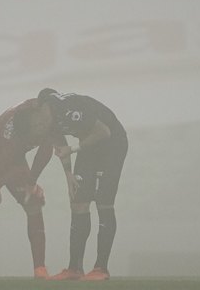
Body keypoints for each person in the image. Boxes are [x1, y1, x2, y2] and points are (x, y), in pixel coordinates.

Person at [0, 98, 70, 280]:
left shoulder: (50, 118)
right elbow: (7, 155)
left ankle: (40, 269)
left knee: (33, 200)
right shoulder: (15, 123)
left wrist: (31, 183)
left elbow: (45, 151)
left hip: (13, 157)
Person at [37, 88, 128, 281]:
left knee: (103, 202)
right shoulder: (49, 121)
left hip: (112, 144)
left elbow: (103, 131)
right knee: (78, 202)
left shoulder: (68, 108)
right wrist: (69, 174)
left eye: (43, 113)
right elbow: (61, 147)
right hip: (89, 145)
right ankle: (74, 268)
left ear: (49, 105)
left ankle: (101, 268)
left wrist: (74, 148)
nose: (42, 119)